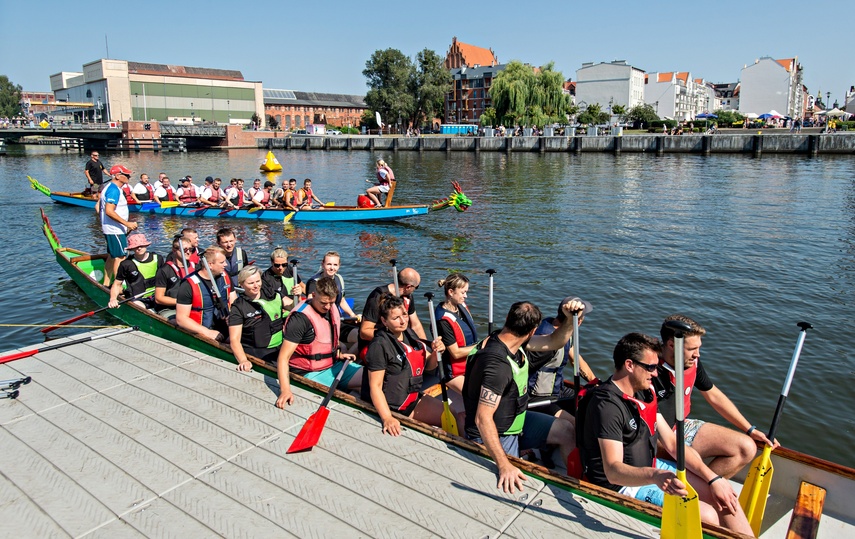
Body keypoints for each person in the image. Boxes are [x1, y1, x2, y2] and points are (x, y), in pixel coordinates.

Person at [581, 333, 753, 535]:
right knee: (707, 515)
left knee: (724, 495)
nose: (655, 373)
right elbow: (613, 470)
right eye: (651, 367)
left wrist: (713, 478)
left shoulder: (644, 392)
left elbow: (672, 443)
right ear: (629, 365)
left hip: (651, 467)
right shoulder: (607, 406)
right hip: (622, 486)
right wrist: (655, 476)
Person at [462, 299, 585, 493]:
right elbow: (483, 418)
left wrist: (569, 319)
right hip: (497, 435)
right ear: (534, 330)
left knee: (567, 430)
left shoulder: (511, 340)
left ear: (507, 319)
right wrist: (504, 465)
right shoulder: (497, 365)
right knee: (516, 484)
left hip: (516, 422)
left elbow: (555, 341)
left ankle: (575, 488)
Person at [652, 315, 776, 479]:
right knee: (693, 459)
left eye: (699, 348)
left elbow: (713, 395)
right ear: (671, 345)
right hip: (655, 438)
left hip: (680, 426)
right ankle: (698, 487)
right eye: (692, 349)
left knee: (746, 448)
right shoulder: (649, 371)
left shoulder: (691, 362)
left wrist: (750, 430)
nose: (698, 355)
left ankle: (702, 492)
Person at [361, 293, 449, 435]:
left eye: (405, 315)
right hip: (394, 407)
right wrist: (387, 418)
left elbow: (428, 366)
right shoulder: (379, 345)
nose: (403, 321)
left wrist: (435, 353)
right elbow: (375, 386)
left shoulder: (408, 334)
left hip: (411, 398)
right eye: (396, 318)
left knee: (457, 416)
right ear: (384, 321)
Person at [275, 276, 362, 408]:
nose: (327, 307)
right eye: (323, 303)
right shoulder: (299, 319)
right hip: (308, 372)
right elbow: (283, 358)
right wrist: (285, 390)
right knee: (342, 400)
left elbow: (328, 339)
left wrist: (338, 355)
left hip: (333, 365)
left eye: (331, 303)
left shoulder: (331, 308)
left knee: (372, 379)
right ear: (313, 295)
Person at [527, 297, 597, 418]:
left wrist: (596, 383)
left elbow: (576, 361)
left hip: (558, 389)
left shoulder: (562, 332)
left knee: (592, 402)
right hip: (539, 398)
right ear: (578, 321)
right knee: (574, 424)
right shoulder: (546, 341)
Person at [358, 267, 426, 361]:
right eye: (416, 287)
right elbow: (364, 332)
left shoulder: (408, 297)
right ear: (408, 287)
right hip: (376, 344)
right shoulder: (377, 297)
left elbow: (416, 325)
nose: (415, 290)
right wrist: (392, 339)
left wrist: (425, 346)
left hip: (399, 342)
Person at [174, 246, 236, 342]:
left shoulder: (225, 276)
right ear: (210, 265)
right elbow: (181, 319)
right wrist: (206, 332)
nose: (226, 265)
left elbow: (233, 300)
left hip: (226, 326)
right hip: (202, 331)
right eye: (221, 262)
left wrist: (234, 316)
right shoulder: (188, 285)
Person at [228, 265, 285, 368]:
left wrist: (297, 295)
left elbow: (293, 306)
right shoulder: (238, 307)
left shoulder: (272, 294)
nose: (256, 286)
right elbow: (234, 339)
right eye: (251, 283)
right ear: (241, 285)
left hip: (279, 347)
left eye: (258, 281)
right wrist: (243, 360)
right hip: (257, 352)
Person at [434, 273, 478, 394]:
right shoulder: (443, 320)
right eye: (463, 292)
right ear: (451, 292)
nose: (466, 296)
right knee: (476, 395)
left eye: (466, 292)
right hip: (452, 372)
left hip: (469, 364)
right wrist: (481, 347)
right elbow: (456, 353)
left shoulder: (460, 306)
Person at [99, 164, 139, 286]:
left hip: (113, 228)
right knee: (120, 258)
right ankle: (118, 288)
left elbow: (98, 207)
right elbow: (109, 211)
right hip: (114, 230)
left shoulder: (110, 188)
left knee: (112, 256)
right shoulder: (113, 190)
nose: (129, 176)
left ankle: (106, 283)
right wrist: (127, 223)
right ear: (117, 176)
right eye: (126, 175)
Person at [107, 233, 162, 310]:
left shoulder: (158, 258)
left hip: (157, 296)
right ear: (131, 249)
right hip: (138, 300)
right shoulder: (126, 264)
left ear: (146, 245)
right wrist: (113, 299)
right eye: (136, 247)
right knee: (141, 307)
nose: (139, 248)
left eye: (141, 246)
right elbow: (117, 284)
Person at [306, 251, 358, 320]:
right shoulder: (314, 282)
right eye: (329, 264)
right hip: (319, 318)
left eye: (335, 265)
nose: (332, 268)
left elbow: (341, 301)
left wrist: (352, 315)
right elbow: (310, 302)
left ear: (339, 265)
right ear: (322, 264)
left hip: (336, 317)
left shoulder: (339, 278)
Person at [154, 236, 196, 317]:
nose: (188, 252)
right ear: (174, 250)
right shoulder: (164, 270)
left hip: (192, 306)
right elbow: (159, 298)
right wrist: (183, 302)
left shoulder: (196, 267)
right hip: (170, 309)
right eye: (184, 250)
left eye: (191, 249)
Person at [260, 247, 303, 315]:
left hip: (294, 304)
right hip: (282, 309)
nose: (281, 268)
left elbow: (303, 287)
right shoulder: (265, 279)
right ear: (271, 262)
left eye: (284, 265)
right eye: (277, 265)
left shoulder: (289, 269)